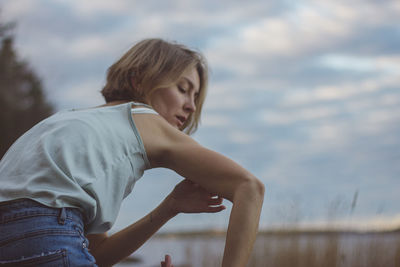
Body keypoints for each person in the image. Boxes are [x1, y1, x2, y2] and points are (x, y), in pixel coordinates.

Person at [0, 38, 264, 267]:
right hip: (49, 233)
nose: (191, 106)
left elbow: (97, 254)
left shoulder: (64, 120)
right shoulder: (143, 118)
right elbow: (249, 187)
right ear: (138, 80)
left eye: (195, 97)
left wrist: (169, 208)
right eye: (183, 89)